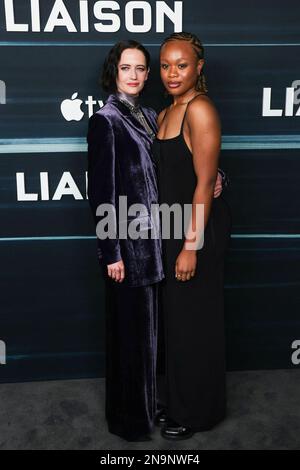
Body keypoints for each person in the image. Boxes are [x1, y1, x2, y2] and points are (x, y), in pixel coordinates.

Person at [87, 40, 226, 442]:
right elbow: (101, 192)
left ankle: (183, 406)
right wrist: (111, 251)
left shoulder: (152, 115)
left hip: (170, 239)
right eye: (126, 68)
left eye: (141, 68)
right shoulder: (108, 120)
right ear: (114, 72)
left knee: (172, 333)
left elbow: (187, 170)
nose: (135, 75)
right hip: (133, 246)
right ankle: (135, 418)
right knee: (139, 338)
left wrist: (219, 182)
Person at [153, 32, 232, 440]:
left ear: (198, 67)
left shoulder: (200, 110)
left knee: (197, 324)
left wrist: (190, 247)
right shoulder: (168, 111)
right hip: (171, 229)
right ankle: (180, 402)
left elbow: (204, 184)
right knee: (179, 326)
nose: (172, 73)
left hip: (195, 234)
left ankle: (200, 412)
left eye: (181, 65)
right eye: (166, 65)